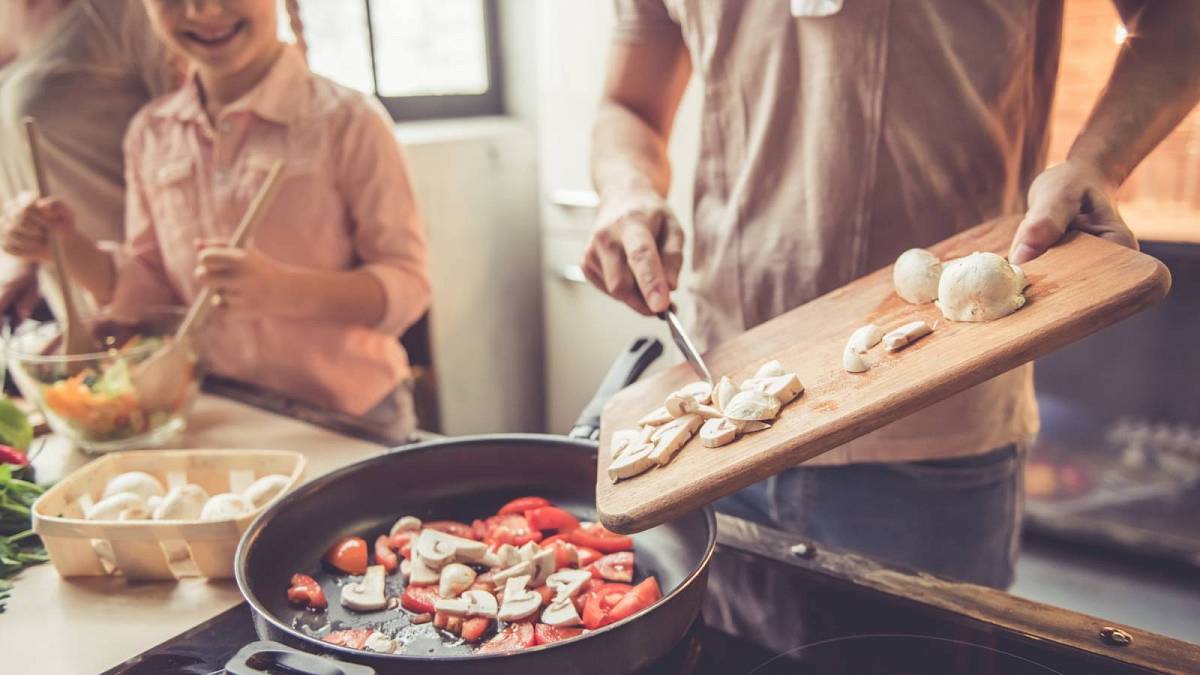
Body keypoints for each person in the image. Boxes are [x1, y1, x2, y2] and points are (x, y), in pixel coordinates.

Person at [586, 0, 1200, 596]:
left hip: (937, 424)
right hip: (722, 396)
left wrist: (1099, 163)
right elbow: (628, 104)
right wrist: (624, 189)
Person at [3, 0, 432, 437]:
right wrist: (64, 245)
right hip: (220, 410)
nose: (202, 9)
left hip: (350, 412)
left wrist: (282, 289)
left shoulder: (350, 122)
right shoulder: (150, 134)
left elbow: (407, 286)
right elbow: (150, 290)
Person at [0, 0, 176, 322]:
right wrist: (20, 258)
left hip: (157, 305)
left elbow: (201, 138)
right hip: (79, 319)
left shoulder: (124, 12)